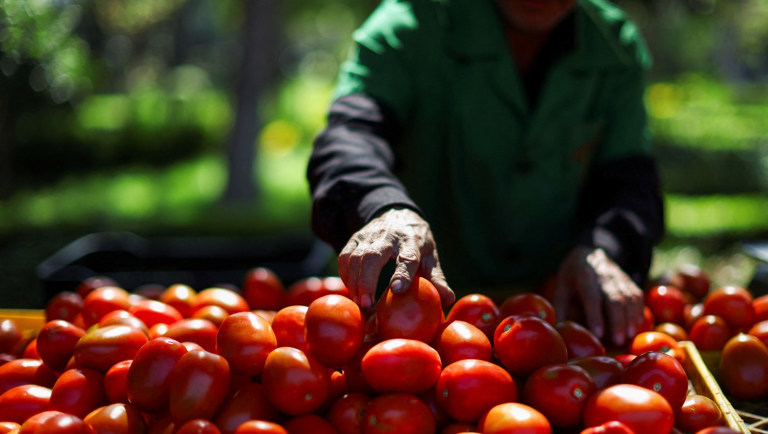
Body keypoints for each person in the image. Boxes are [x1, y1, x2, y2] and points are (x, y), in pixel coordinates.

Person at [307, 0, 664, 346]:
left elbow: (630, 181)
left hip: (555, 324)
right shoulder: (409, 26)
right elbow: (349, 138)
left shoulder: (612, 44)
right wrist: (383, 207)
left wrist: (602, 247)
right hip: (391, 317)